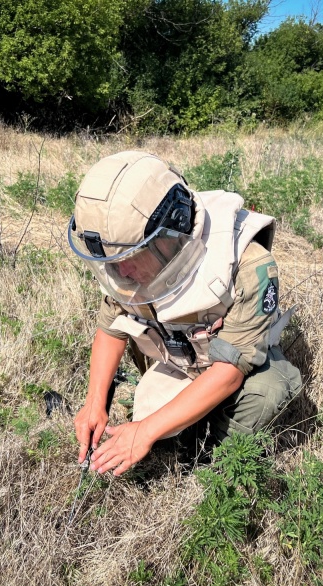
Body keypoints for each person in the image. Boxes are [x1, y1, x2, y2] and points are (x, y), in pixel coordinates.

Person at [67, 151, 302, 476]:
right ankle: (179, 424)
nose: (121, 272)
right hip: (175, 358)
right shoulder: (124, 259)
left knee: (268, 392)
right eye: (110, 263)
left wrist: (145, 431)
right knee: (160, 429)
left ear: (168, 235)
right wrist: (95, 401)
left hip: (228, 361)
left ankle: (215, 459)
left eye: (129, 258)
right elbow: (111, 327)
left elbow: (229, 371)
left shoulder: (248, 263)